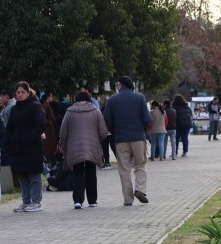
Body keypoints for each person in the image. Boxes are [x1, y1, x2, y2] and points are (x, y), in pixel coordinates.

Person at [103, 76, 152, 205]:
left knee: (124, 169)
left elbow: (107, 119)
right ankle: (140, 189)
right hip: (138, 138)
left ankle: (128, 199)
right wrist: (142, 129)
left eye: (118, 84)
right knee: (140, 165)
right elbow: (147, 119)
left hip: (120, 139)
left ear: (121, 85)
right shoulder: (139, 98)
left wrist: (115, 131)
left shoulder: (112, 100)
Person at [58, 90, 108, 209]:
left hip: (75, 147)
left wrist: (64, 145)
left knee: (77, 172)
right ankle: (92, 200)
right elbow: (103, 132)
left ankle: (78, 200)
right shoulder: (96, 111)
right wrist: (97, 140)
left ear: (76, 100)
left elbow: (63, 132)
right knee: (91, 172)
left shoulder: (70, 112)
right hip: (92, 146)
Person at [5, 81, 46, 212]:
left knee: (34, 175)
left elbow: (40, 125)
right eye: (18, 92)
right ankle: (26, 201)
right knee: (22, 175)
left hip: (32, 147)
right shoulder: (14, 109)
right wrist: (10, 140)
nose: (20, 94)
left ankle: (36, 202)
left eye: (23, 92)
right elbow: (9, 127)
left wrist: (29, 138)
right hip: (17, 147)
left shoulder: (35, 106)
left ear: (28, 93)